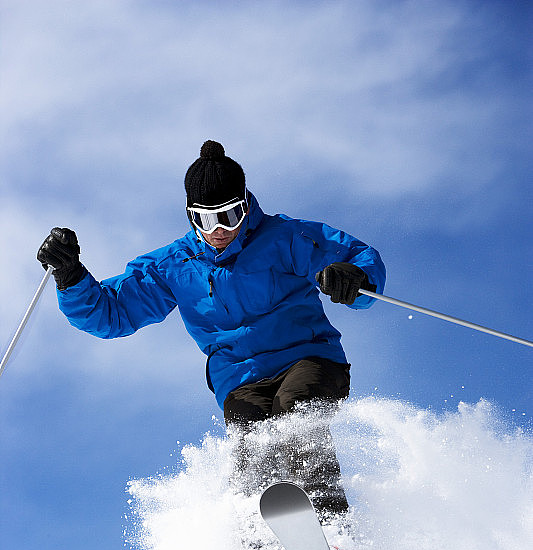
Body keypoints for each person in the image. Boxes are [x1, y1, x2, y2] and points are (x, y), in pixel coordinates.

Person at [37, 140, 386, 519]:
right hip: (240, 379)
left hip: (308, 358)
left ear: (246, 206)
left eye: (230, 215)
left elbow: (357, 260)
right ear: (190, 216)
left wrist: (355, 279)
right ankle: (261, 543)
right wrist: (70, 276)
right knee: (252, 444)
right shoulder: (173, 265)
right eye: (205, 219)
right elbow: (112, 313)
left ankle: (329, 530)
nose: (219, 230)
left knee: (294, 412)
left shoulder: (286, 237)